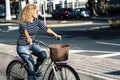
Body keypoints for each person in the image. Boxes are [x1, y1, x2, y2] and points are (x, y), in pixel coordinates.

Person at [16, 4, 61, 80]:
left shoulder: (36, 21)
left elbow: (45, 28)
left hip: (32, 44)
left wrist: (55, 34)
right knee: (30, 63)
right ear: (31, 12)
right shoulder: (23, 22)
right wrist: (28, 38)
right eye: (36, 12)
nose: (38, 13)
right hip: (22, 46)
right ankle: (31, 77)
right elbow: (25, 31)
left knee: (43, 55)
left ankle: (35, 70)